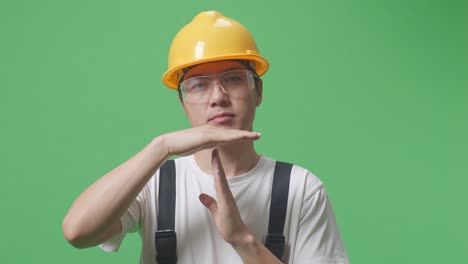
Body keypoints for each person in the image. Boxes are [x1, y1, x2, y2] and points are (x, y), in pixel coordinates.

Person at [62, 10, 349, 264]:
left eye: (233, 78)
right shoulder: (156, 183)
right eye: (198, 85)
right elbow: (77, 232)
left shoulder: (301, 189)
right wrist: (162, 146)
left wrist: (242, 240)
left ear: (258, 92)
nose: (218, 97)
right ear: (182, 102)